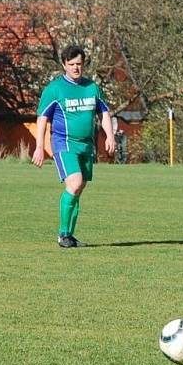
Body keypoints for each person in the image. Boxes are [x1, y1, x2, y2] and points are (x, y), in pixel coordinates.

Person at [32, 45, 115, 248]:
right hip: (63, 143)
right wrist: (39, 146)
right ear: (64, 65)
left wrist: (109, 136)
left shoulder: (92, 87)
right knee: (75, 183)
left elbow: (103, 113)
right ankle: (62, 235)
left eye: (79, 64)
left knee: (78, 189)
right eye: (71, 64)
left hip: (86, 146)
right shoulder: (54, 89)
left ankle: (69, 235)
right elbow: (42, 119)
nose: (76, 68)